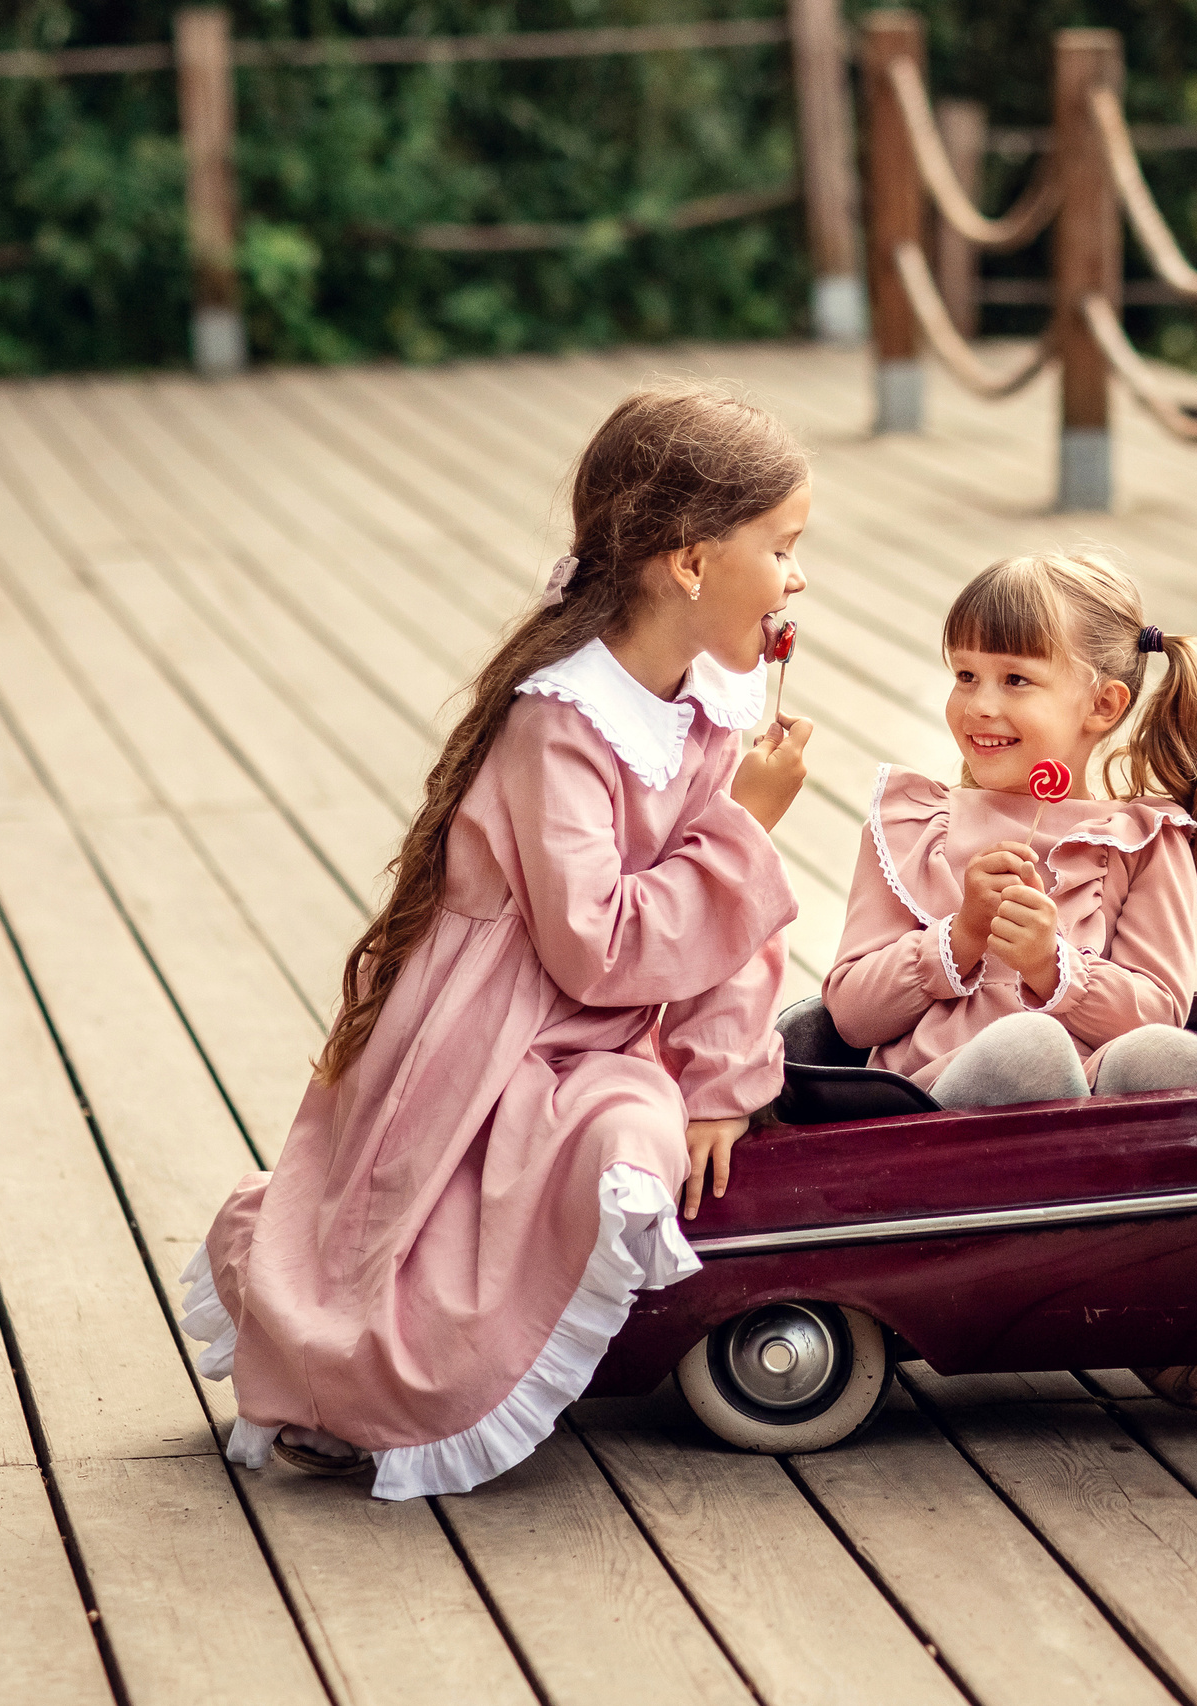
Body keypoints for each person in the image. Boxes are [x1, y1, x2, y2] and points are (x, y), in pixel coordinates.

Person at [179, 384, 815, 1499]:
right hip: (495, 1026)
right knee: (415, 1250)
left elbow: (735, 929)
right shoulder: (558, 725)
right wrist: (742, 829)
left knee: (634, 1123)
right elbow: (594, 947)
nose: (798, 577)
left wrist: (720, 1077)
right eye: (782, 547)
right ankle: (354, 1376)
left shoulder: (717, 703)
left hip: (613, 1032)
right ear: (689, 562)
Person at [823, 549, 1197, 1411]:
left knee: (1164, 1057)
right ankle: (1163, 1320)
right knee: (1027, 1045)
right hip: (934, 1119)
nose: (979, 705)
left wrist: (1049, 967)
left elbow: (1159, 1004)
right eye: (965, 673)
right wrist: (956, 939)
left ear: (1101, 704)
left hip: (1102, 1136)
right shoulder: (913, 821)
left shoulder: (1144, 839)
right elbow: (845, 1009)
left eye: (1017, 679)